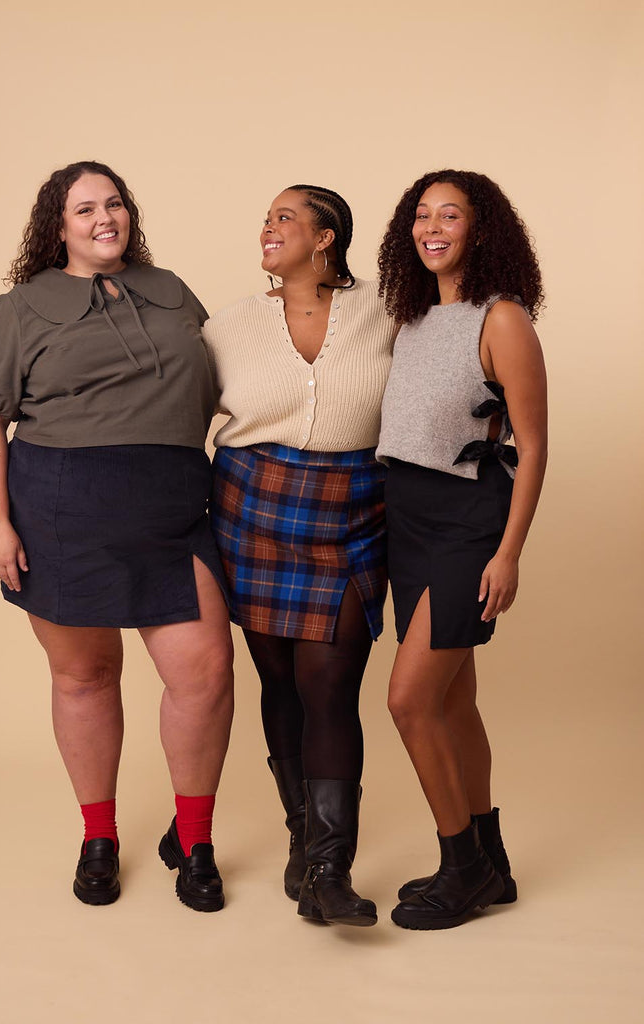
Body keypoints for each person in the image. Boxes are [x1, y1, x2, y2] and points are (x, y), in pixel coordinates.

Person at [0, 161, 234, 912]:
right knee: (83, 677)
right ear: (59, 227)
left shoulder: (173, 291)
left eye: (114, 203)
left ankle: (195, 839)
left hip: (171, 506)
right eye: (85, 209)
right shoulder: (21, 308)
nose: (104, 217)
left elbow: (226, 385)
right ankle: (99, 838)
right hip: (59, 508)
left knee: (204, 674)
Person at [202, 184, 397, 926]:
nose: (266, 228)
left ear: (325, 237)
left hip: (351, 512)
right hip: (251, 510)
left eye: (283, 217)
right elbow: (182, 413)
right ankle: (301, 832)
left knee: (330, 683)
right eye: (265, 218)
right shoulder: (226, 327)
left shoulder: (389, 309)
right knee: (279, 680)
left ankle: (327, 868)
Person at [376, 169, 547, 929]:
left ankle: (460, 865)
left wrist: (507, 551)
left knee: (408, 700)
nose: (431, 226)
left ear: (482, 230)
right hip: (403, 518)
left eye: (450, 214)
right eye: (421, 214)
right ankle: (492, 864)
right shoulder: (410, 317)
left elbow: (534, 445)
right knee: (452, 698)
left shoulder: (500, 318)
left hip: (465, 520)